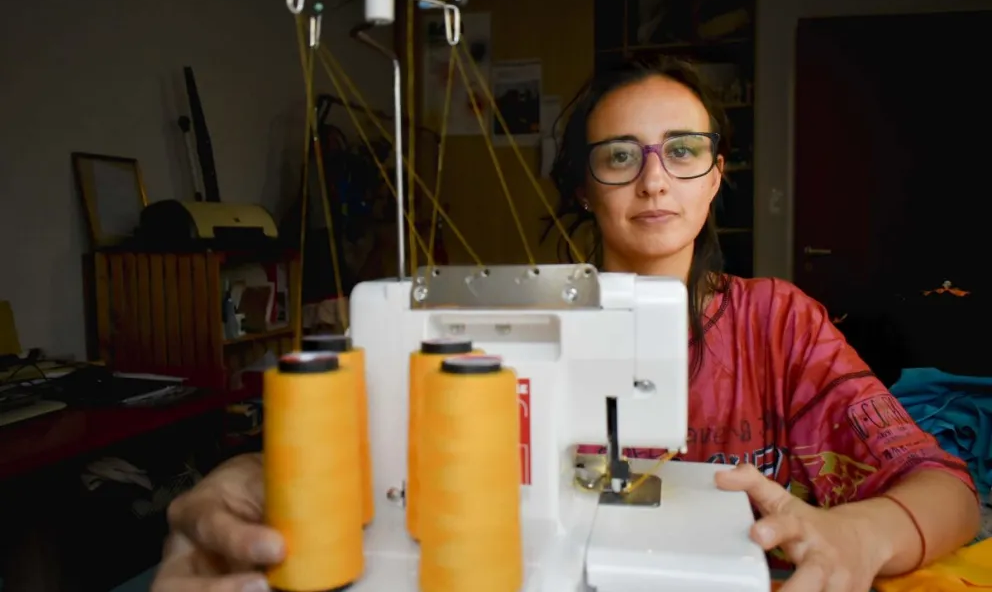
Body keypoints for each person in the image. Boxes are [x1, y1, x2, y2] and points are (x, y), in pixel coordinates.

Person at [152, 57, 980, 592]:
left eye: (683, 150)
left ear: (716, 174)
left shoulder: (778, 323)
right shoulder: (513, 322)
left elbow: (947, 489)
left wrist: (861, 533)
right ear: (583, 187)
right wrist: (260, 472)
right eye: (620, 155)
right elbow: (375, 442)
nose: (654, 180)